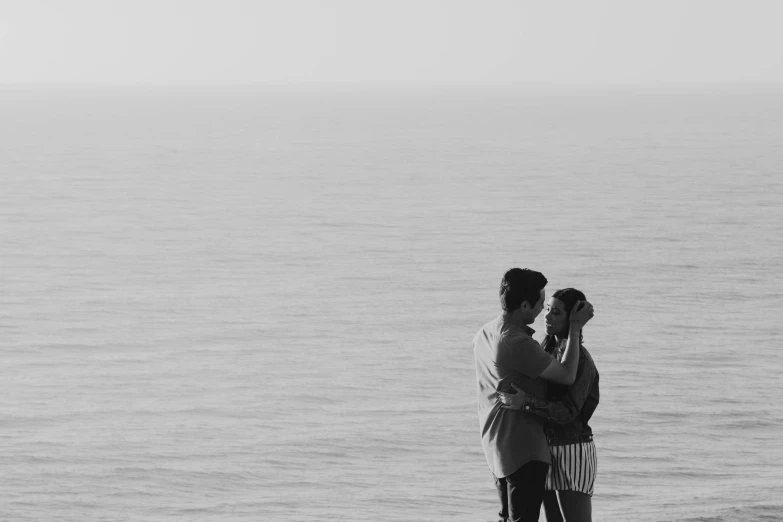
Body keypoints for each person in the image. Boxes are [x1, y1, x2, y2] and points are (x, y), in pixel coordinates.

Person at [473, 269, 593, 522]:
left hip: (499, 446)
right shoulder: (519, 343)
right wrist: (574, 329)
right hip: (523, 449)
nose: (543, 312)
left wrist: (527, 402)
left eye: (553, 310)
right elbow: (566, 376)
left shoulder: (485, 332)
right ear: (525, 305)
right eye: (542, 304)